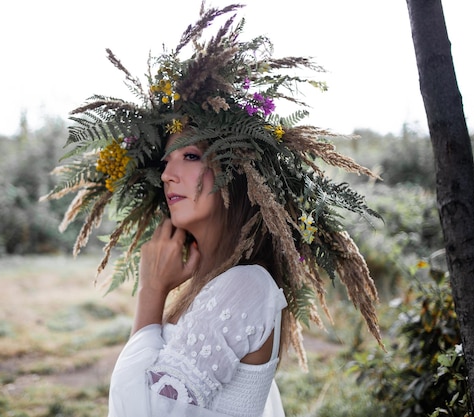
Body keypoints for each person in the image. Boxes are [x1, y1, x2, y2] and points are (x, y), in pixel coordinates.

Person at [42, 3, 384, 416]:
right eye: (165, 162)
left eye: (189, 156)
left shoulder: (246, 286)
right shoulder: (215, 283)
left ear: (236, 171)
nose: (168, 174)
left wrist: (150, 293)